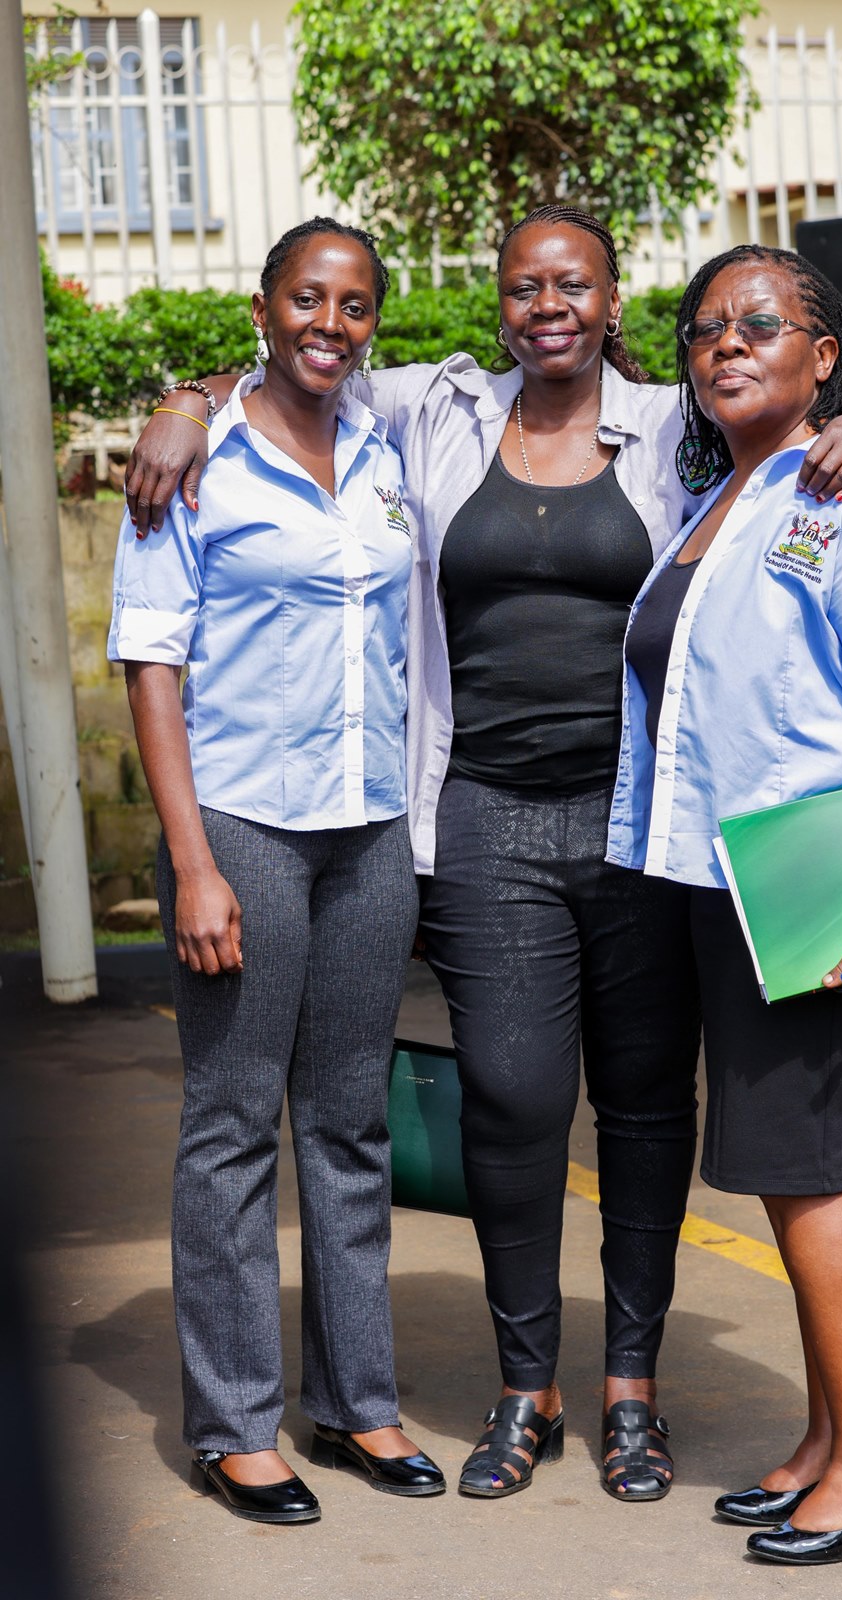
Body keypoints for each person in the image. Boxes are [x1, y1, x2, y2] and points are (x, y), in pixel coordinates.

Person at [123, 207, 842, 1504]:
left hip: (640, 822)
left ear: (614, 302)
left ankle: (631, 1389)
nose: (548, 304)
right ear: (497, 305)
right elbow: (297, 365)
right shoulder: (432, 414)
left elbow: (814, 446)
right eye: (521, 286)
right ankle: (524, 1386)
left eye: (575, 284)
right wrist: (183, 399)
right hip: (481, 818)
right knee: (507, 1096)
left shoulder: (681, 422)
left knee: (646, 1103)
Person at [609, 243, 842, 1562]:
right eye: (705, 327)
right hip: (734, 883)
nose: (725, 342)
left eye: (759, 323)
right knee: (793, 1169)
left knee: (819, 1173)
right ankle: (829, 1436)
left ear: (823, 357)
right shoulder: (730, 492)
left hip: (826, 887)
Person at [108, 218, 444, 1525]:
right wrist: (193, 865)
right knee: (236, 1123)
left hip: (368, 830)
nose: (330, 324)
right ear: (263, 308)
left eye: (354, 305)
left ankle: (356, 1403)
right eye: (307, 298)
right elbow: (152, 665)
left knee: (351, 1124)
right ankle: (237, 1423)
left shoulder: (387, 447)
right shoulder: (195, 460)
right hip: (241, 820)